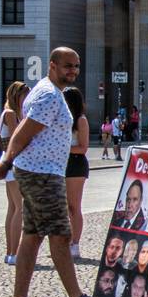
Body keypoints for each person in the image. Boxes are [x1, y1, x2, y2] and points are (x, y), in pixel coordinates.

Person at [0, 49, 89, 297]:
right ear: (53, 65)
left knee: (32, 236)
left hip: (38, 171)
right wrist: (5, 161)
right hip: (42, 174)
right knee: (60, 235)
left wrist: (10, 163)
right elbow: (23, 132)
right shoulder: (48, 95)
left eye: (77, 66)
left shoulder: (47, 90)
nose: (73, 71)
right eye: (68, 66)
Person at [0, 81, 28, 266]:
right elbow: (17, 137)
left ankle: (10, 252)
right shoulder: (10, 114)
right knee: (19, 208)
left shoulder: (10, 113)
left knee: (12, 207)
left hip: (9, 161)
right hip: (13, 162)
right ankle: (14, 252)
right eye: (25, 95)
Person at [63, 87, 90, 260]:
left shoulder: (80, 120)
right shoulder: (63, 119)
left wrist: (62, 148)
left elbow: (83, 147)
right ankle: (65, 242)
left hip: (75, 163)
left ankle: (75, 243)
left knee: (74, 206)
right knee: (63, 207)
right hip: (62, 163)